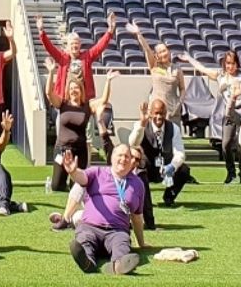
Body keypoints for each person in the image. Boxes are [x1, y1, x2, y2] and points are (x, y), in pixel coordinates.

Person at [62, 143, 147, 275]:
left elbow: (137, 217)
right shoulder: (97, 172)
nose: (123, 159)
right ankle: (87, 262)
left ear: (131, 160)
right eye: (120, 155)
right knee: (84, 240)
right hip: (90, 226)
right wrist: (73, 171)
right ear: (112, 157)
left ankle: (117, 266)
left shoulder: (138, 184)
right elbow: (82, 178)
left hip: (117, 231)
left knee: (122, 245)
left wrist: (141, 243)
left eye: (127, 156)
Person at [181, 50, 241, 185]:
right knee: (225, 144)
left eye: (233, 63)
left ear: (237, 64)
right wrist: (189, 58)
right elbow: (203, 68)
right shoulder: (220, 75)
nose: (230, 66)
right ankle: (231, 173)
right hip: (229, 112)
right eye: (228, 63)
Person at [48, 70, 116, 193]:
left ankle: (72, 182)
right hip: (62, 149)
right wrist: (51, 72)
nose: (74, 91)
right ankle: (56, 180)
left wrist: (108, 81)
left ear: (81, 90)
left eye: (76, 88)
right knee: (56, 186)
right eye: (71, 88)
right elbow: (49, 93)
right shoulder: (62, 103)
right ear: (68, 90)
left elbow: (104, 100)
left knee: (78, 186)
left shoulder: (87, 106)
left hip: (80, 150)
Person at [129, 98, 192, 229]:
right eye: (156, 113)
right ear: (151, 113)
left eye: (162, 113)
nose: (159, 117)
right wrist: (142, 124)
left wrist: (172, 166)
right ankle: (149, 219)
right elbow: (133, 143)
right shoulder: (140, 125)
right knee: (141, 174)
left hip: (166, 168)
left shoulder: (173, 128)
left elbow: (180, 152)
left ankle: (169, 197)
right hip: (147, 168)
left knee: (184, 170)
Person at [36, 12, 116, 104]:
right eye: (72, 44)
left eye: (76, 43)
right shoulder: (62, 58)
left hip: (84, 101)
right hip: (65, 100)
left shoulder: (87, 57)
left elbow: (100, 47)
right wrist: (41, 31)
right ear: (68, 46)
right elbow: (49, 47)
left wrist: (110, 31)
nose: (74, 46)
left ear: (80, 45)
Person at [123, 21, 186, 127]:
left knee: (172, 138)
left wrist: (179, 103)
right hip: (156, 110)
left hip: (173, 110)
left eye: (165, 50)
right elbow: (147, 49)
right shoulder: (154, 66)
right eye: (160, 52)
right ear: (156, 55)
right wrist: (139, 34)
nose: (164, 53)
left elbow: (182, 88)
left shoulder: (177, 69)